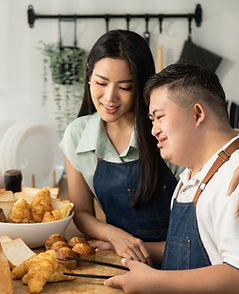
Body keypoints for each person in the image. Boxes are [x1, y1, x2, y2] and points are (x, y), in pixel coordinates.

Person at [60, 29, 239, 264]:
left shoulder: (168, 134)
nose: (110, 97)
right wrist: (116, 237)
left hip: (187, 258)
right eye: (101, 82)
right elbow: (81, 212)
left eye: (124, 87)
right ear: (89, 74)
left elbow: (220, 144)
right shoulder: (77, 134)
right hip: (127, 257)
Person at [104, 62, 239, 294]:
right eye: (151, 119)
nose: (153, 129)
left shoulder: (232, 179)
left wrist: (154, 281)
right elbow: (187, 251)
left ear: (197, 113)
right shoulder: (190, 176)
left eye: (159, 117)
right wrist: (128, 247)